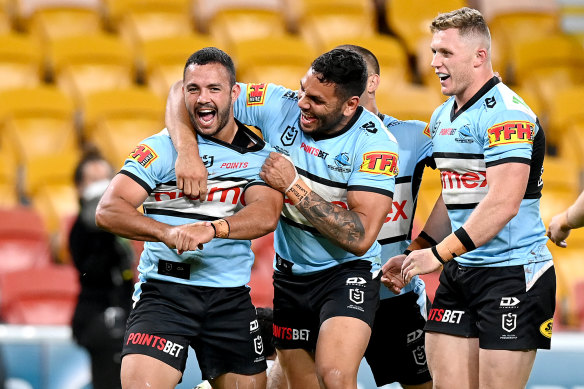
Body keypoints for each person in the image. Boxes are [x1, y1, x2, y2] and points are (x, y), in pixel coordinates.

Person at [166, 48, 399, 389]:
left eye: (317, 100)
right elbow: (180, 91)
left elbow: (360, 236)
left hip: (346, 272)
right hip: (290, 275)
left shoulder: (376, 144)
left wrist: (293, 186)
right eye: (303, 90)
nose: (303, 103)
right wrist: (187, 153)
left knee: (335, 374)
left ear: (350, 105)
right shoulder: (280, 103)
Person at [382, 7, 556, 389]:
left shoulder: (508, 115)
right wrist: (419, 248)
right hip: (461, 272)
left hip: (512, 275)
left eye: (445, 53)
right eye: (433, 52)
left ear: (480, 56)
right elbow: (454, 193)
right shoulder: (443, 115)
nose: (433, 63)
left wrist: (438, 254)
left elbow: (503, 203)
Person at [95, 47, 284, 389]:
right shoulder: (160, 147)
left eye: (214, 89)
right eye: (193, 89)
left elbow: (266, 214)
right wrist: (166, 233)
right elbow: (108, 210)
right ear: (182, 93)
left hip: (229, 295)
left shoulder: (262, 156)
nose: (202, 98)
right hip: (165, 293)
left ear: (234, 94)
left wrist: (212, 229)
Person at [334, 44, 437, 389]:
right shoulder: (314, 140)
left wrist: (422, 246)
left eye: (351, 73)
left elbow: (469, 174)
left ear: (373, 82)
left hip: (395, 295)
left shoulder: (414, 136)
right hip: (330, 293)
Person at [69, 150, 135, 389]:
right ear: (79, 187)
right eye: (93, 180)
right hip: (97, 314)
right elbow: (90, 269)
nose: (101, 186)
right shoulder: (82, 229)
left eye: (106, 179)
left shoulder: (120, 225)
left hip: (125, 311)